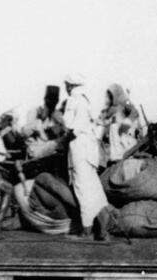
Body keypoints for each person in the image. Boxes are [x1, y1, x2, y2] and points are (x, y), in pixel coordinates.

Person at [62, 73, 111, 238]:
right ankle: (103, 228)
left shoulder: (74, 99)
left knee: (82, 189)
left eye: (66, 84)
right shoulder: (87, 99)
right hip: (89, 148)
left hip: (79, 148)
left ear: (70, 85)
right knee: (93, 188)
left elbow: (71, 126)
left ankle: (86, 230)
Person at [102, 84, 146, 164]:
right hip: (119, 140)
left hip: (126, 136)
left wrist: (127, 121)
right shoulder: (112, 110)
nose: (109, 99)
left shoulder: (125, 103)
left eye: (111, 96)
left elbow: (134, 113)